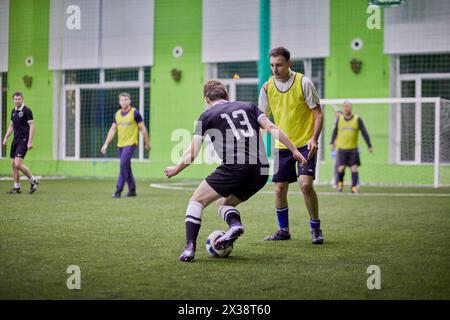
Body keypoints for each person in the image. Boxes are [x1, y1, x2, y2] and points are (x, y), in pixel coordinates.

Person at [164, 80, 306, 262]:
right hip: (261, 170)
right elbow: (271, 127)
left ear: (207, 99)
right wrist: (294, 150)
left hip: (234, 167)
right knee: (224, 204)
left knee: (196, 201)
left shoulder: (206, 116)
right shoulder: (250, 106)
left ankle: (189, 246)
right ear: (227, 96)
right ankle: (234, 225)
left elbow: (192, 154)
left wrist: (176, 169)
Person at [258, 46, 324, 244]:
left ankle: (315, 227)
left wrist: (314, 139)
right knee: (278, 190)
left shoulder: (304, 82)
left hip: (305, 144)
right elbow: (262, 118)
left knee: (306, 185)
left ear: (289, 63)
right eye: (272, 65)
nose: (275, 69)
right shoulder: (267, 87)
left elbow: (318, 113)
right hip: (281, 147)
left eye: (279, 65)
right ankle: (283, 230)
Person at [101, 92, 150, 198]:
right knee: (126, 166)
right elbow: (113, 130)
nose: (124, 102)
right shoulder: (117, 114)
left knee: (123, 164)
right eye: (122, 100)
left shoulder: (135, 113)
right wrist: (106, 144)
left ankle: (118, 190)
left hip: (131, 144)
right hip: (120, 145)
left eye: (126, 99)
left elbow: (143, 128)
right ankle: (132, 190)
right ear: (119, 102)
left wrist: (147, 142)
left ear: (130, 101)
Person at [330, 101, 373, 194]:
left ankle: (354, 187)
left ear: (351, 108)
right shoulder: (339, 119)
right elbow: (335, 131)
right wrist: (331, 142)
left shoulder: (357, 119)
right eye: (344, 106)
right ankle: (340, 184)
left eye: (348, 106)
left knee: (354, 168)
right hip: (341, 149)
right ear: (343, 108)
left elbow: (364, 132)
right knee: (341, 168)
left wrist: (369, 145)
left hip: (353, 149)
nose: (346, 108)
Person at [2, 92, 39, 194]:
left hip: (24, 140)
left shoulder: (27, 111)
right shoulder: (13, 111)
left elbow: (32, 126)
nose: (17, 100)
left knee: (18, 164)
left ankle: (34, 180)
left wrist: (30, 141)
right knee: (13, 164)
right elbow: (11, 126)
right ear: (13, 100)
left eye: (19, 99)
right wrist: (6, 137)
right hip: (16, 140)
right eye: (15, 99)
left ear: (22, 99)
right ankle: (16, 187)